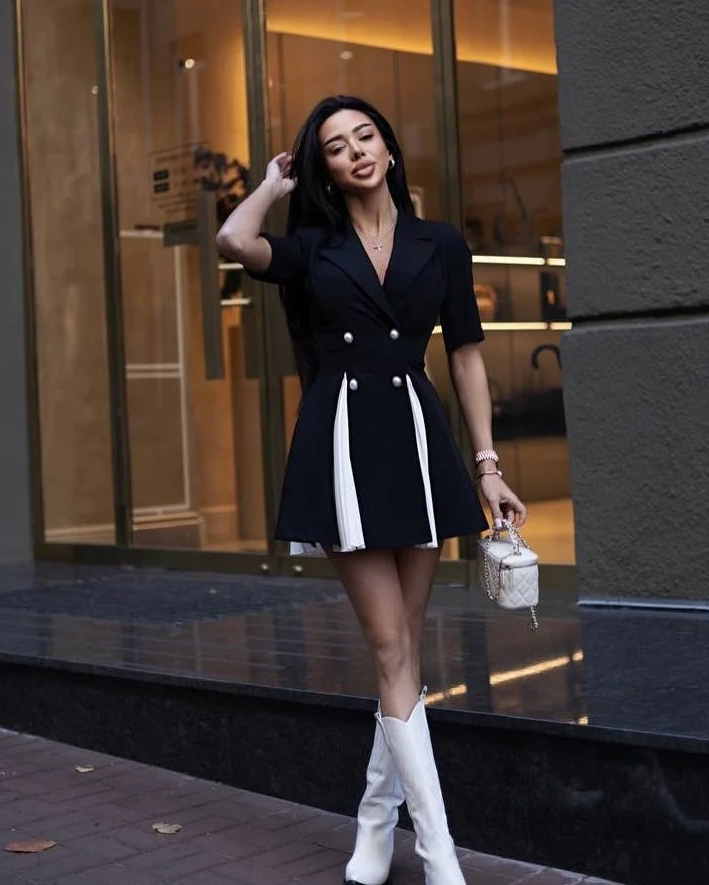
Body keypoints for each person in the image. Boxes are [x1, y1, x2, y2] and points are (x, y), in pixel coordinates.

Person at [217, 96, 527, 885]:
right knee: (391, 648)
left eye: (364, 136)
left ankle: (370, 828)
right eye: (332, 146)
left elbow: (464, 355)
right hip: (340, 447)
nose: (354, 151)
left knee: (403, 658)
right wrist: (272, 183)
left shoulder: (440, 244)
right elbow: (232, 240)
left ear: (388, 148)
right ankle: (439, 854)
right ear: (321, 166)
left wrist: (487, 463)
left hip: (417, 444)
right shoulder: (312, 247)